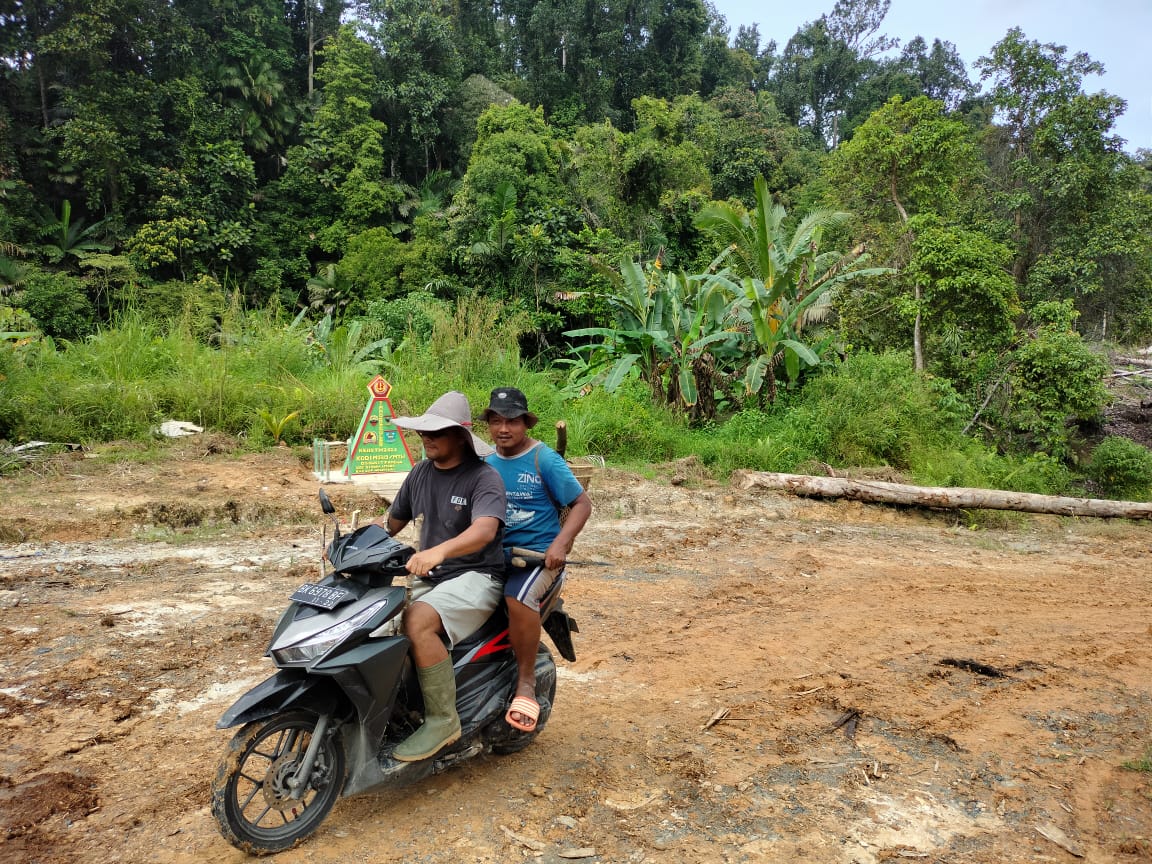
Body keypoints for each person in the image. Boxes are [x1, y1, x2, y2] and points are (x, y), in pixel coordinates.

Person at [383, 391, 507, 762]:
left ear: (461, 437)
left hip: (477, 576)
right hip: (431, 578)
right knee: (374, 624)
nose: (427, 439)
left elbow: (485, 530)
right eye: (424, 432)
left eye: (437, 432)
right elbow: (390, 523)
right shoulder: (420, 473)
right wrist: (353, 543)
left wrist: (439, 550)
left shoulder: (484, 478)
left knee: (415, 622)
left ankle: (443, 719)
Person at [481, 387, 592, 733]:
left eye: (511, 421)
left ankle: (525, 682)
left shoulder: (544, 459)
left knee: (518, 597)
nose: (503, 429)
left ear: (525, 424)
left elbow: (582, 504)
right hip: (493, 556)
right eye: (496, 421)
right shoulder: (485, 463)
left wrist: (561, 543)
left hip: (536, 560)